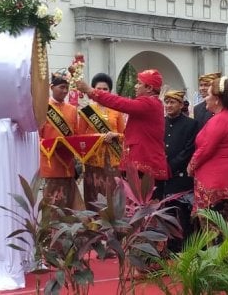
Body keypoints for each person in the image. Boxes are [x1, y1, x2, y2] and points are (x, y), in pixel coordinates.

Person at [76, 69, 168, 199]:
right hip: (134, 164)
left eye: (139, 83)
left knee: (143, 211)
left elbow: (120, 103)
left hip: (144, 167)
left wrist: (91, 91)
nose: (135, 86)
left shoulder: (149, 103)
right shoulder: (150, 103)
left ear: (149, 88)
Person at [187, 76, 228, 232]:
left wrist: (191, 166)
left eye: (208, 94)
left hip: (216, 182)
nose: (205, 97)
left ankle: (219, 257)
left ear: (217, 99)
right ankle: (227, 256)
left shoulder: (220, 120)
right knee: (224, 225)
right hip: (227, 179)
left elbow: (205, 149)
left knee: (214, 230)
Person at [78, 72, 125, 210]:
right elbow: (80, 137)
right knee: (94, 194)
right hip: (93, 161)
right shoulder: (86, 111)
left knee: (112, 194)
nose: (102, 92)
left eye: (105, 89)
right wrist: (97, 138)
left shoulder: (117, 110)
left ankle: (114, 228)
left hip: (113, 160)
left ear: (110, 91)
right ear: (93, 90)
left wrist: (115, 135)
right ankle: (94, 229)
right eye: (99, 89)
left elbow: (124, 135)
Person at [39, 72, 85, 210]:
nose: (65, 91)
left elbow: (76, 135)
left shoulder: (72, 109)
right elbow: (37, 137)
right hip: (50, 160)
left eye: (67, 88)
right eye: (61, 87)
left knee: (68, 202)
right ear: (51, 87)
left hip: (68, 163)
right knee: (52, 202)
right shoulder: (43, 107)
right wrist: (51, 145)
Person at [163, 89, 198, 252]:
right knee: (167, 215)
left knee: (185, 216)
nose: (168, 106)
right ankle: (171, 249)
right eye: (167, 102)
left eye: (172, 102)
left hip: (181, 177)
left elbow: (188, 150)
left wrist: (170, 166)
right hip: (164, 178)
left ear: (181, 104)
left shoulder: (191, 124)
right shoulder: (161, 123)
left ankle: (189, 250)